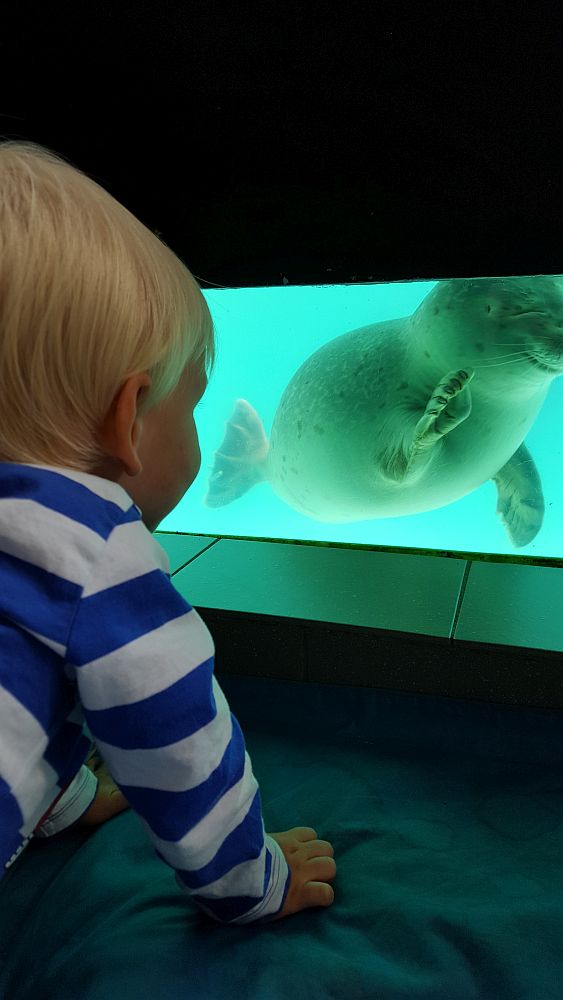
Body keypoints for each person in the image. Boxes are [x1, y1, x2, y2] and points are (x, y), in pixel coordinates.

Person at [0, 140, 336, 925]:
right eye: (189, 405)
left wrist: (57, 793)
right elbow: (175, 748)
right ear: (129, 416)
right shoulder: (91, 549)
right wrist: (253, 883)